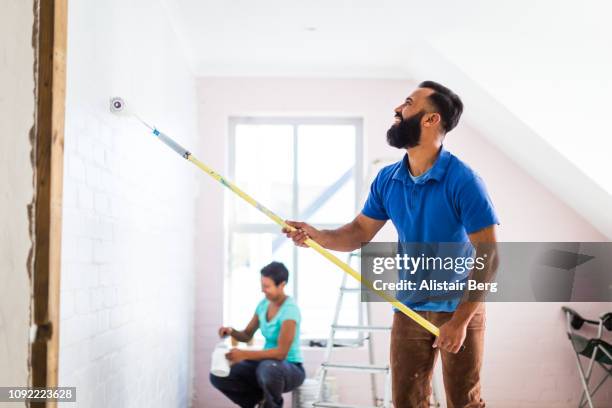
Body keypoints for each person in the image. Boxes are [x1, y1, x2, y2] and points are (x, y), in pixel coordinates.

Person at [283, 81, 499, 408]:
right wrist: (317, 236)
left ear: (431, 120)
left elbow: (490, 256)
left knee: (464, 403)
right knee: (406, 402)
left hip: (459, 307)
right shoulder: (388, 180)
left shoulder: (464, 181)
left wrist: (461, 322)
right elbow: (358, 231)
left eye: (409, 104)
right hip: (410, 306)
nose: (398, 109)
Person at [210, 261, 305, 408]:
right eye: (262, 285)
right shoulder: (263, 305)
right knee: (219, 376)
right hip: (266, 364)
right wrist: (232, 331)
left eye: (267, 286)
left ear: (282, 285)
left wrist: (244, 354)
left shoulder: (290, 310)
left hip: (290, 368)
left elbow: (281, 353)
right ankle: (257, 403)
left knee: (268, 368)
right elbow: (247, 335)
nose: (263, 290)